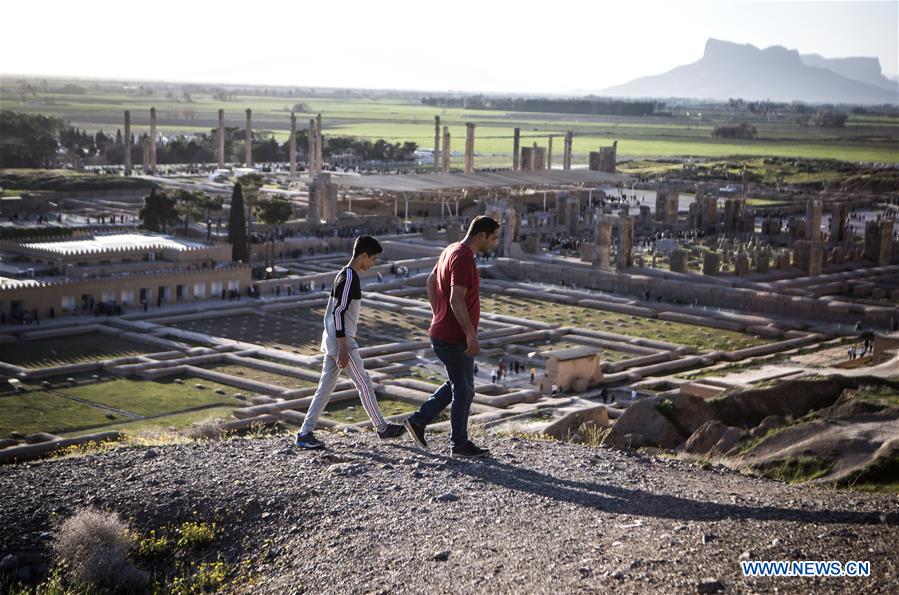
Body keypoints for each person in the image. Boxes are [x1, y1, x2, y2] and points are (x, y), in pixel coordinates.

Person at [295, 236, 405, 449]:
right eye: (372, 259)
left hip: (334, 340)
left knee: (325, 389)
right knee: (364, 383)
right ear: (363, 255)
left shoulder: (343, 275)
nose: (373, 264)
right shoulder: (349, 278)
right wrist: (343, 347)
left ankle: (304, 433)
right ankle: (382, 428)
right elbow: (338, 312)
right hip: (341, 341)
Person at [404, 216, 500, 458]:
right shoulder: (465, 257)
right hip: (454, 337)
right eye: (494, 237)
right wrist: (471, 335)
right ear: (482, 236)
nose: (495, 242)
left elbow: (430, 281)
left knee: (458, 384)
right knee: (465, 390)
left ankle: (418, 421)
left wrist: (438, 314)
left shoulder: (450, 249)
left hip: (443, 331)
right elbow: (457, 299)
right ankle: (459, 444)